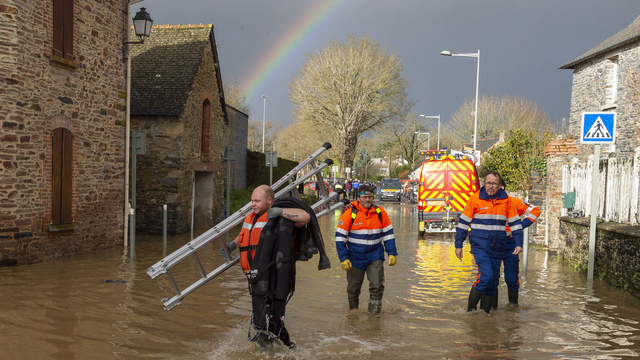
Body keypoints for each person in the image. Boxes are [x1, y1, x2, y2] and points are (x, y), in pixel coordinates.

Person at [222, 185, 311, 348]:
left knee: (270, 321)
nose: (253, 204)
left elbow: (305, 217)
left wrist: (279, 212)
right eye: (251, 201)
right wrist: (233, 245)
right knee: (262, 321)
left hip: (273, 278)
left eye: (257, 201)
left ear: (269, 201)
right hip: (256, 277)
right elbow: (245, 235)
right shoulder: (250, 217)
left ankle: (281, 348)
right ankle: (278, 349)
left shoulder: (279, 217)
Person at [454, 172, 523, 314]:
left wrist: (518, 243)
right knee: (486, 277)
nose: (490, 186)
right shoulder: (475, 199)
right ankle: (471, 311)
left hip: (498, 246)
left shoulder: (507, 201)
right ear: (484, 184)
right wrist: (458, 245)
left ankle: (485, 314)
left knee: (493, 282)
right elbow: (463, 224)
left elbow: (515, 224)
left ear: (499, 186)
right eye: (488, 183)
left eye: (494, 184)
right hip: (480, 246)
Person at [335, 185, 398, 315]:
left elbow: (388, 235)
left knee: (377, 286)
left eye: (370, 197)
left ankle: (374, 317)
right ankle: (353, 314)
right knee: (353, 289)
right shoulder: (350, 214)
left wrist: (391, 253)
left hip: (375, 255)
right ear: (358, 198)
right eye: (364, 197)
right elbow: (340, 238)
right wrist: (344, 258)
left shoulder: (380, 212)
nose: (367, 200)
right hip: (355, 257)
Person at [492, 180, 541, 309]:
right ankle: (492, 310)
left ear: (501, 187)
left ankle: (513, 308)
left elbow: (535, 211)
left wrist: (520, 226)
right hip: (493, 244)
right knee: (492, 279)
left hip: (510, 244)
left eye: (494, 185)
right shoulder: (487, 203)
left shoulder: (514, 202)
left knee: (512, 278)